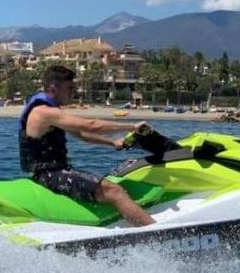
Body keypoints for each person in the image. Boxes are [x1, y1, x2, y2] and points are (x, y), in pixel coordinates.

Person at [19, 65, 155, 226]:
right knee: (114, 191)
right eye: (69, 88)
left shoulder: (47, 111)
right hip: (49, 175)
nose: (73, 92)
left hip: (55, 171)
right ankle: (159, 237)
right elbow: (90, 125)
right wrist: (131, 127)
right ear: (53, 87)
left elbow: (82, 134)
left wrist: (112, 142)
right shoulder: (44, 112)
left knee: (114, 185)